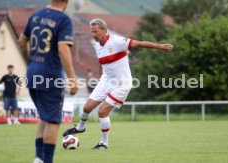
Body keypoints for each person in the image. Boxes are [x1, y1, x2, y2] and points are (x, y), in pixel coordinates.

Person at [63, 18, 173, 149]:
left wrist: (160, 46)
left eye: (96, 31)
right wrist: (100, 77)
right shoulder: (97, 45)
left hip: (122, 85)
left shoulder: (117, 42)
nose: (93, 34)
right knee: (86, 108)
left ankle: (104, 143)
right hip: (105, 81)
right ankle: (80, 128)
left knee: (102, 112)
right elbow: (102, 63)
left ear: (104, 30)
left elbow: (140, 44)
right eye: (92, 32)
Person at [18, 0, 78, 163]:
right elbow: (63, 49)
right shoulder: (63, 19)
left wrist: (29, 63)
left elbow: (22, 42)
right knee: (53, 120)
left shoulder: (36, 15)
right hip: (50, 76)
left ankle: (39, 158)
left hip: (32, 74)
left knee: (45, 118)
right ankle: (47, 160)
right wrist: (72, 79)